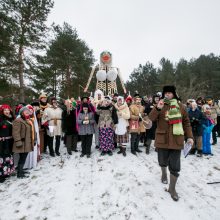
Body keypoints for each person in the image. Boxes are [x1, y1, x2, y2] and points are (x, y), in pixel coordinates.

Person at [149, 85, 193, 201]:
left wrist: (189, 137)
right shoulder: (160, 105)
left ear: (174, 94)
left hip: (176, 139)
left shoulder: (181, 107)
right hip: (162, 139)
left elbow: (186, 123)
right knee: (162, 161)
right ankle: (163, 173)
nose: (167, 95)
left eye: (170, 93)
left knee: (175, 165)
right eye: (166, 93)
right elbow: (150, 120)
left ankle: (172, 189)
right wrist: (157, 108)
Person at [12, 107, 35, 178]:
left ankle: (21, 170)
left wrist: (34, 140)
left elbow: (32, 131)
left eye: (28, 112)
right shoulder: (18, 120)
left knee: (24, 158)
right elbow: (15, 133)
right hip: (21, 143)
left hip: (27, 143)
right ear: (22, 113)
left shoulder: (28, 120)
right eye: (26, 112)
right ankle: (19, 173)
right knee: (22, 158)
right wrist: (18, 142)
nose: (28, 114)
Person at [0, 105, 15, 183]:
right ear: (2, 111)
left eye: (8, 110)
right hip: (2, 142)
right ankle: (0, 175)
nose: (7, 111)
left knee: (8, 156)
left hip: (9, 141)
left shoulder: (11, 119)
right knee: (2, 156)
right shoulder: (1, 120)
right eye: (5, 110)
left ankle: (6, 172)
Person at [23, 105, 40, 169]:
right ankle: (26, 165)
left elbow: (35, 129)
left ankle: (32, 163)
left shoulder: (33, 118)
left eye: (32, 110)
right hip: (26, 139)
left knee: (32, 151)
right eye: (29, 110)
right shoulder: (23, 118)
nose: (30, 111)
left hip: (33, 138)